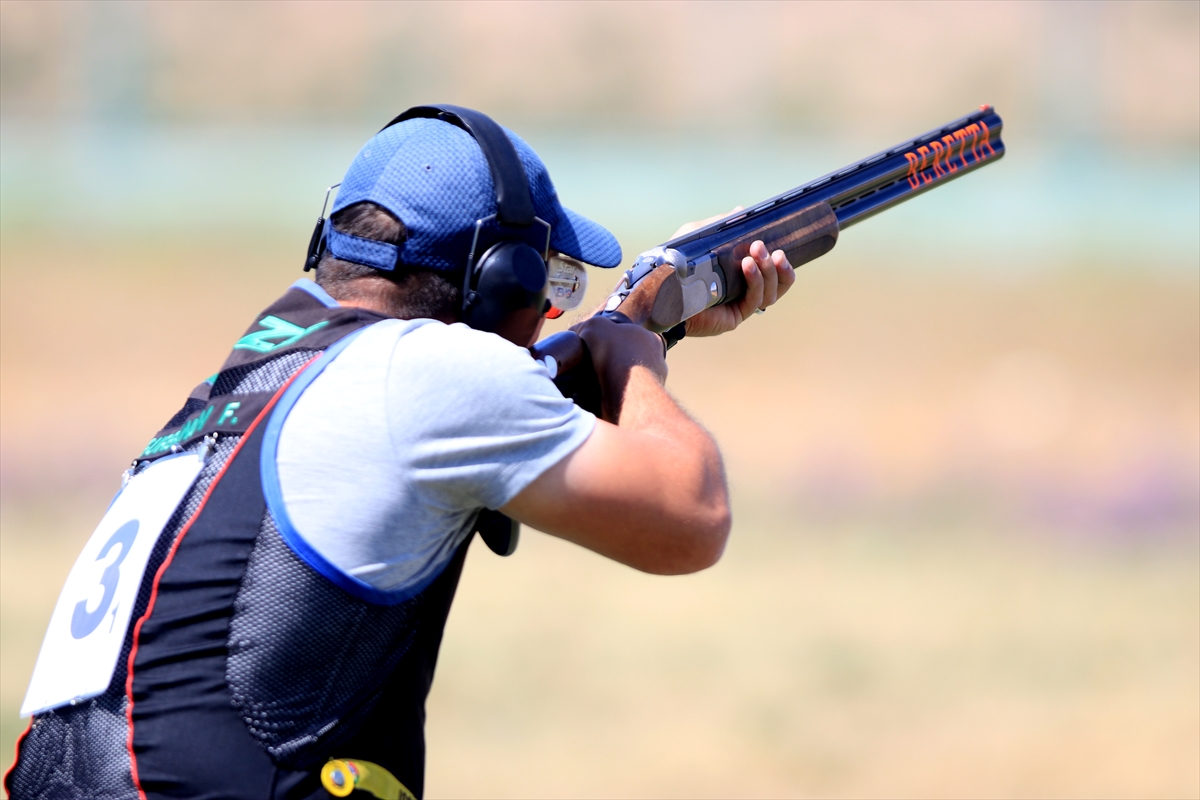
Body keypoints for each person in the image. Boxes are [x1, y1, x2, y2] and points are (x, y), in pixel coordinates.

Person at [6, 106, 795, 799]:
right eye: (551, 284)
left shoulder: (253, 376)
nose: (551, 311)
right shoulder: (426, 372)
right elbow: (693, 517)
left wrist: (647, 321)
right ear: (500, 282)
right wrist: (633, 357)